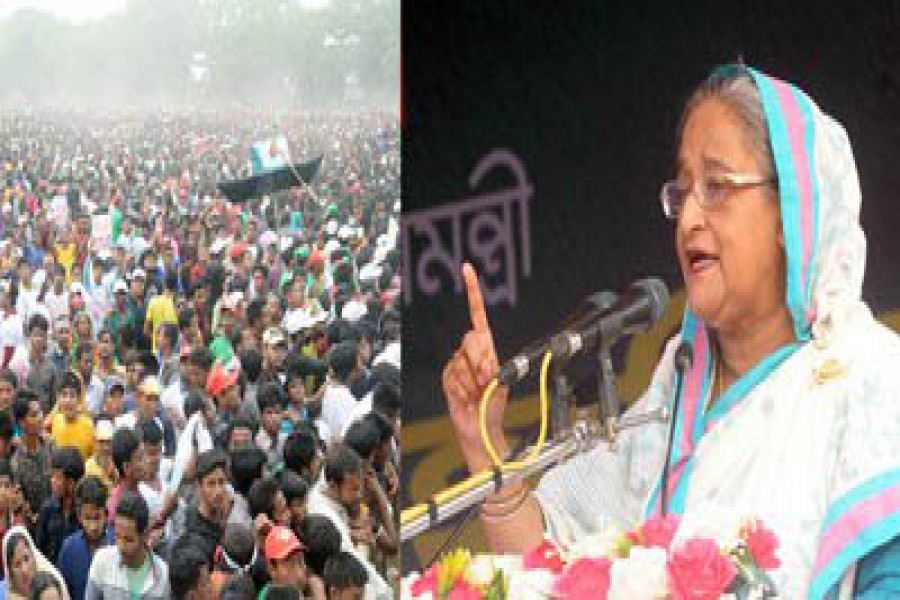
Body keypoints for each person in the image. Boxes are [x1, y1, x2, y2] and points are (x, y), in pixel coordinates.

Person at [440, 63, 900, 597]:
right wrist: (485, 442)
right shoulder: (672, 394)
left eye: (717, 187)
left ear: (791, 211)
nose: (688, 219)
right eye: (681, 193)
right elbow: (550, 572)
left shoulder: (872, 384)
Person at [84, 491, 170, 598]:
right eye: (117, 536)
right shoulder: (102, 561)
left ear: (144, 535)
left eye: (128, 540)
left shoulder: (162, 575)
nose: (121, 546)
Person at [56, 477, 112, 600]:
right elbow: (63, 591)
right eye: (87, 518)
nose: (93, 526)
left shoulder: (116, 545)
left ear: (106, 514)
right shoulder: (69, 549)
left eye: (97, 517)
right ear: (79, 516)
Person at [34, 447, 83, 564]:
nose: (52, 481)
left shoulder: (83, 513)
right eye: (52, 476)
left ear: (71, 483)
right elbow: (39, 549)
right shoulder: (47, 509)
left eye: (57, 477)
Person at [0, 527, 68, 600]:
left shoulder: (51, 587)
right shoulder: (3, 594)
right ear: (10, 572)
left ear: (34, 557)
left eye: (26, 559)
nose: (24, 570)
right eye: (17, 565)